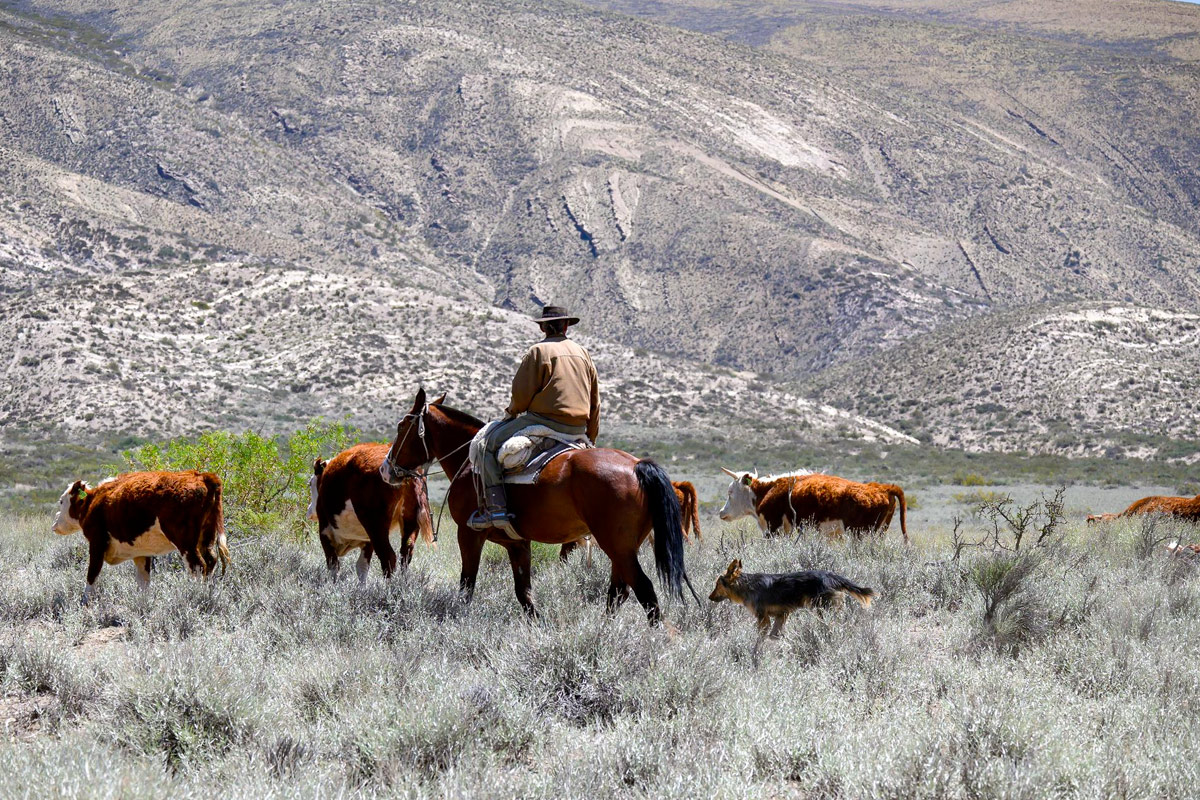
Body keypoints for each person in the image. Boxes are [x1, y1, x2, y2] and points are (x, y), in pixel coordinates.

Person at [469, 305, 600, 535]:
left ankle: (496, 509)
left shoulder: (537, 352)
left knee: (484, 445)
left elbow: (521, 396)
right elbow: (595, 401)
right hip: (578, 428)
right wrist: (591, 436)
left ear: (542, 327)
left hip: (544, 422)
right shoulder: (583, 353)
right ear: (566, 326)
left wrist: (511, 412)